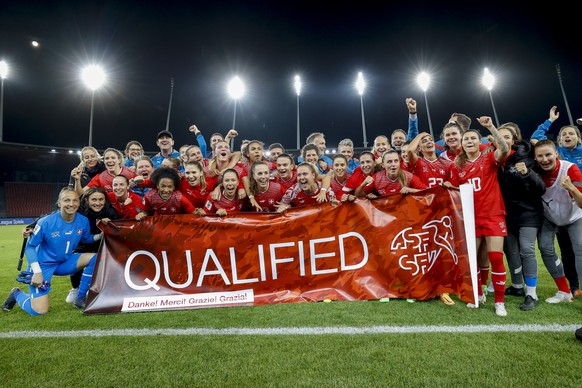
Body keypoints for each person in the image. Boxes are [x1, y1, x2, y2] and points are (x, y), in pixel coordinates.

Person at [445, 116, 510, 316]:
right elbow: (460, 190)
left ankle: (500, 302)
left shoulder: (488, 158)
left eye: (473, 138)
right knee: (473, 259)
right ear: (462, 144)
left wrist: (491, 126)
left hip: (492, 215)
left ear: (479, 142)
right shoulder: (457, 165)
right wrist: (451, 186)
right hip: (471, 217)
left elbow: (505, 150)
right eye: (466, 140)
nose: (469, 141)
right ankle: (478, 294)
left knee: (495, 257)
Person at [2, 188, 102, 315]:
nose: (71, 204)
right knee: (39, 311)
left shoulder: (83, 220)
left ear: (79, 202)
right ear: (59, 203)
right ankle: (16, 293)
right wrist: (37, 272)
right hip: (43, 265)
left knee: (96, 258)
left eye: (75, 200)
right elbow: (30, 247)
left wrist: (100, 236)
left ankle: (80, 298)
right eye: (67, 200)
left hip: (64, 262)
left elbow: (86, 238)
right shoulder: (45, 222)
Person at [531, 106, 582, 296]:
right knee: (564, 250)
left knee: (579, 249)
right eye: (564, 134)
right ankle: (571, 287)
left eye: (572, 133)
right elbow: (537, 139)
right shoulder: (548, 156)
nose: (568, 136)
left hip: (576, 206)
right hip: (555, 210)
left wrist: (571, 187)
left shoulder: (572, 166)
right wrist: (549, 121)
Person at [497, 125, 546, 311]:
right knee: (511, 251)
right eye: (498, 137)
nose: (502, 140)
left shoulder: (526, 159)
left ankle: (531, 293)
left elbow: (541, 189)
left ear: (514, 141)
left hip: (528, 213)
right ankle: (517, 286)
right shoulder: (496, 160)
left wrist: (528, 173)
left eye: (506, 137)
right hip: (507, 214)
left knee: (526, 250)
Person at [359, 150, 427, 198]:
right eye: (389, 162)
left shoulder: (409, 177)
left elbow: (428, 192)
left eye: (396, 161)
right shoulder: (377, 178)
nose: (393, 164)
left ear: (399, 163)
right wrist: (365, 186)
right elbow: (358, 195)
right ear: (383, 164)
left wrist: (411, 190)